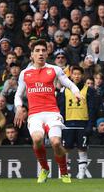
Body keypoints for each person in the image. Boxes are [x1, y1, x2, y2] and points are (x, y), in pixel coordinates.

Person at [14, 39, 82, 184]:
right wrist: (19, 107)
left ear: (47, 53)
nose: (41, 53)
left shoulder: (55, 69)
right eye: (37, 51)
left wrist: (76, 92)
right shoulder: (25, 73)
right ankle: (44, 169)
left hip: (52, 113)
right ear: (32, 55)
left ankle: (64, 172)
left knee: (56, 142)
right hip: (35, 114)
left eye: (43, 51)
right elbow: (18, 94)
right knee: (38, 139)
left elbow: (70, 84)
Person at [57, 66, 97, 180]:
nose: (77, 76)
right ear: (71, 75)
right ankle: (64, 173)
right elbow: (60, 108)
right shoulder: (64, 90)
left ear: (82, 75)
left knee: (82, 148)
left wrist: (90, 125)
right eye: (74, 74)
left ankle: (81, 174)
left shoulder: (88, 90)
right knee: (65, 149)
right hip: (68, 124)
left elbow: (92, 109)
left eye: (79, 74)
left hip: (82, 123)